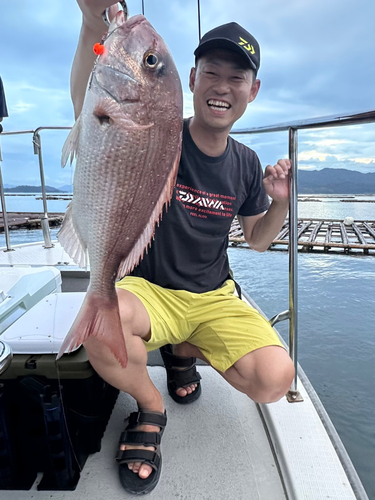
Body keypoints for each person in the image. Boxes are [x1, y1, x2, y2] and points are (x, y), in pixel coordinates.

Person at [71, 1, 295, 495]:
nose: (222, 85)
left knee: (275, 378)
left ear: (252, 91)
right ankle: (151, 406)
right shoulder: (157, 132)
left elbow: (257, 240)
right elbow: (93, 103)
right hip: (150, 290)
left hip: (213, 295)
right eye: (211, 71)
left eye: (237, 77)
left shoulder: (245, 162)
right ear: (192, 78)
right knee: (98, 332)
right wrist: (95, 22)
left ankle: (183, 348)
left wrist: (279, 204)